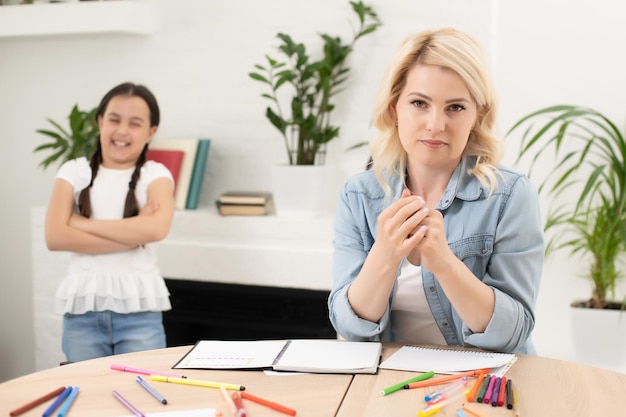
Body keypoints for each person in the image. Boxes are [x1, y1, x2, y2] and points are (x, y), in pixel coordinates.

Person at [328, 28, 544, 354]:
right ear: (393, 109)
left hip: (483, 388)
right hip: (392, 386)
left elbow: (512, 333)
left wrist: (443, 262)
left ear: (477, 115)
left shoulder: (509, 196)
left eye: (455, 107)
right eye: (419, 103)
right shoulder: (358, 196)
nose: (435, 125)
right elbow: (351, 330)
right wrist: (385, 254)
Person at [45, 82, 175, 362]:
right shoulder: (73, 172)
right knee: (86, 398)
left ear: (151, 132)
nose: (122, 131)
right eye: (114, 120)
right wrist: (132, 233)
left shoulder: (156, 175)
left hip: (140, 313)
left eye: (135, 123)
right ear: (100, 122)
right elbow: (55, 237)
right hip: (82, 314)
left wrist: (82, 224)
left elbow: (156, 229)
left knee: (145, 394)